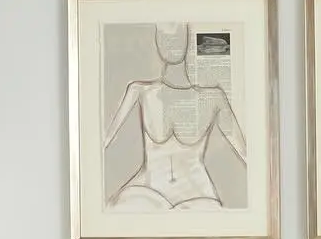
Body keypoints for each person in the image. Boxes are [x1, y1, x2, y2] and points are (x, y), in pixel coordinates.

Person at [103, 23, 245, 209]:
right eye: (164, 37)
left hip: (197, 194)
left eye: (177, 36)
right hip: (147, 190)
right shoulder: (139, 91)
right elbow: (100, 145)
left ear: (188, 40)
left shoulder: (213, 97)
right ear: (156, 41)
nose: (170, 43)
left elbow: (246, 153)